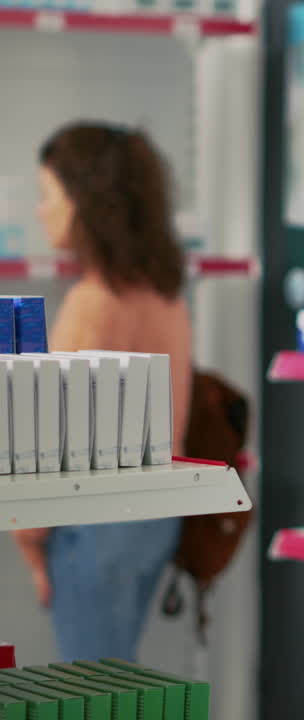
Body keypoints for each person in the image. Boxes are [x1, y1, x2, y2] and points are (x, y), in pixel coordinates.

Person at [11, 122, 193, 662]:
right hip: (153, 519)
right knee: (117, 687)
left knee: (91, 697)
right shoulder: (165, 297)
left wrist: (30, 541)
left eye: (49, 195)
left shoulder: (92, 304)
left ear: (85, 201)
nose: (41, 210)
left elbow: (45, 442)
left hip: (91, 527)